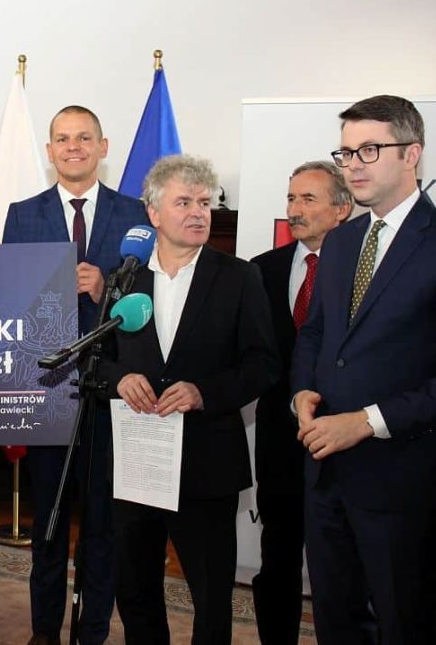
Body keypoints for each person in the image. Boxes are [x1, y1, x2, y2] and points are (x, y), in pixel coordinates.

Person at [290, 95, 436, 644]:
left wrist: (368, 421)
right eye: (346, 152)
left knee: (402, 623)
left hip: (402, 479)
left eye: (369, 149)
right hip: (326, 473)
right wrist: (303, 390)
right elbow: (315, 333)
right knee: (336, 621)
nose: (353, 164)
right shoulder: (341, 241)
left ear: (411, 154)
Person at [99, 154, 278, 644]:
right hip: (138, 463)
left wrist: (205, 393)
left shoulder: (238, 277)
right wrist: (120, 380)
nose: (199, 212)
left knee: (211, 595)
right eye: (184, 202)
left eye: (205, 202)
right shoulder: (124, 280)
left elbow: (263, 363)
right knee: (135, 588)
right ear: (153, 213)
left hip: (206, 463)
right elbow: (97, 362)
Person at [2, 105, 147, 645]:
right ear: (49, 151)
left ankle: (92, 632)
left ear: (103, 147)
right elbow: (8, 300)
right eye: (63, 139)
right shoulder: (23, 215)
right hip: (47, 390)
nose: (74, 147)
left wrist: (104, 288)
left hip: (111, 392)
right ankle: (44, 631)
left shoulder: (136, 214)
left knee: (102, 526)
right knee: (49, 523)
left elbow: (150, 299)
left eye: (84, 138)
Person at [249, 160, 351, 645]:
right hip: (278, 439)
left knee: (343, 563)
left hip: (345, 437)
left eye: (308, 199)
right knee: (278, 556)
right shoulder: (262, 269)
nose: (295, 209)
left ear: (342, 208)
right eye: (291, 198)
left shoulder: (363, 271)